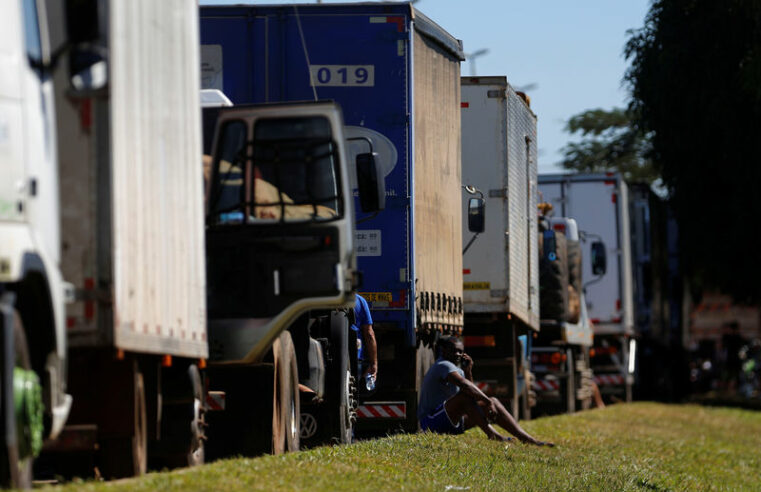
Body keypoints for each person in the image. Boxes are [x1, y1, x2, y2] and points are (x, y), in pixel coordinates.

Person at [418, 336, 554, 446]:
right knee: (477, 399)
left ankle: (526, 438)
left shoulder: (456, 368)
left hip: (451, 423)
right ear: (443, 350)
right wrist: (486, 401)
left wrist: (468, 371)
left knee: (494, 401)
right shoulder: (443, 365)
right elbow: (464, 386)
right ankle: (493, 435)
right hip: (430, 424)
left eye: (460, 351)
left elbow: (469, 394)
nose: (458, 354)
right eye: (454, 350)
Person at [352, 294, 378, 385]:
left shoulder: (322, 299)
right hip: (354, 358)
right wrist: (373, 364)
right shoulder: (359, 301)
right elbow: (369, 334)